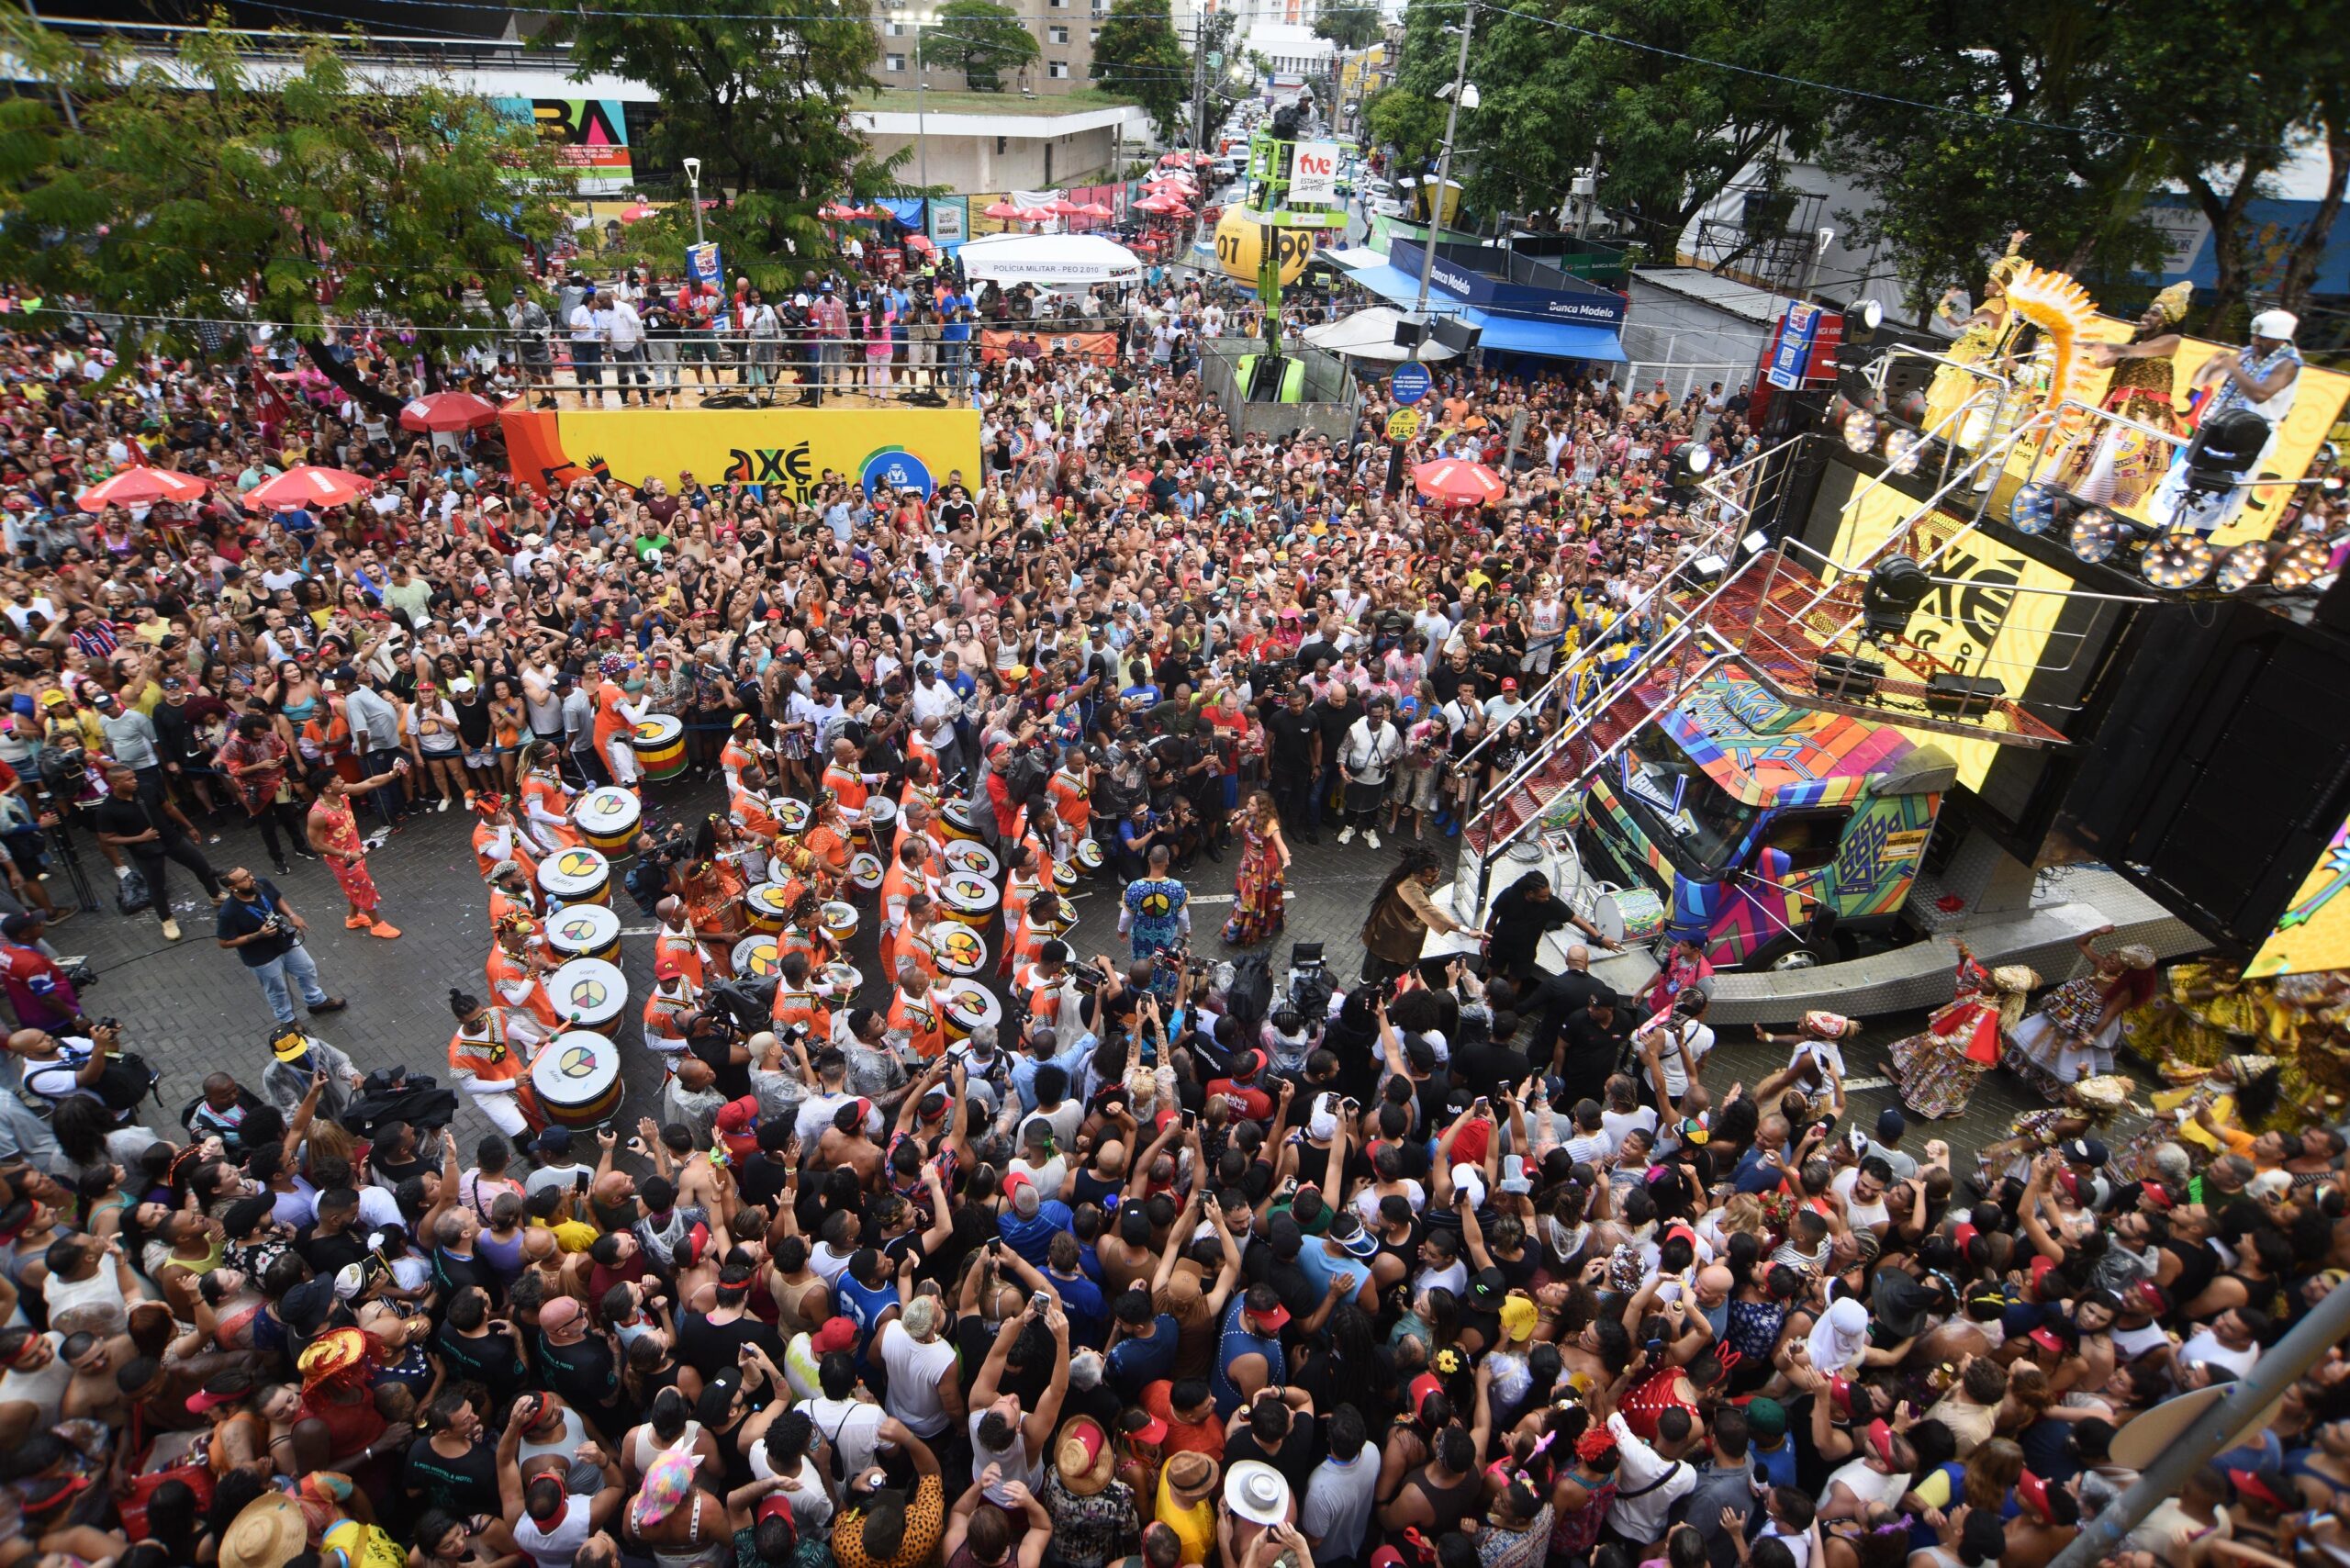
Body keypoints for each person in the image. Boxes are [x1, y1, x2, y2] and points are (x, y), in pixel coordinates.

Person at [1887, 951, 2038, 1119]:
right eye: (1987, 978)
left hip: (1958, 1051)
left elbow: (1967, 1035)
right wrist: (1965, 955)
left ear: (1999, 992)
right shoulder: (1985, 995)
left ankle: (1951, 1109)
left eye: (1988, 982)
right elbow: (1973, 973)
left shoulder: (1990, 1011)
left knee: (1947, 1080)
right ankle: (1900, 1075)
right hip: (1951, 1040)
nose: (1984, 981)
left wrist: (1938, 1041)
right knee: (1941, 1072)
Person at [214, 865, 345, 1025]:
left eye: (249, 873)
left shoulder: (261, 884)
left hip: (284, 941)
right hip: (261, 957)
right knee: (277, 990)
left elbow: (277, 898)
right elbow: (224, 942)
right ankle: (288, 1020)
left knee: (306, 969)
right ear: (232, 887)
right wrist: (259, 935)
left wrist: (292, 915)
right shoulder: (228, 912)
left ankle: (316, 1001)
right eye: (245, 879)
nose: (251, 879)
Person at [304, 762, 407, 939]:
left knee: (356, 888)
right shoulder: (318, 815)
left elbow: (370, 783)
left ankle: (352, 918)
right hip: (344, 861)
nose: (343, 781)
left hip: (356, 852)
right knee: (365, 889)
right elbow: (316, 845)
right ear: (328, 788)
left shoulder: (342, 793)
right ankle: (377, 924)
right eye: (338, 781)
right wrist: (346, 854)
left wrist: (392, 774)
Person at [1359, 850, 1484, 985]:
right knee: (1382, 977)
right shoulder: (1409, 889)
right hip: (1391, 943)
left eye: (1438, 875)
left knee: (1377, 970)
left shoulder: (1404, 876)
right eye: (1431, 877)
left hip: (1385, 936)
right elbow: (1430, 912)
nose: (1436, 879)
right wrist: (1466, 930)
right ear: (1418, 875)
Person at [1220, 790, 1290, 947]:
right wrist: (1238, 819)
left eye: (1252, 805)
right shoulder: (1246, 817)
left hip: (1265, 867)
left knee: (1261, 899)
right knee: (1247, 899)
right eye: (1248, 804)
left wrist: (1286, 858)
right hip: (1248, 864)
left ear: (1261, 807)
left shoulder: (1270, 823)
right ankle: (1244, 930)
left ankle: (1259, 928)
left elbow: (1280, 844)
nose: (1248, 807)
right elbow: (1232, 831)